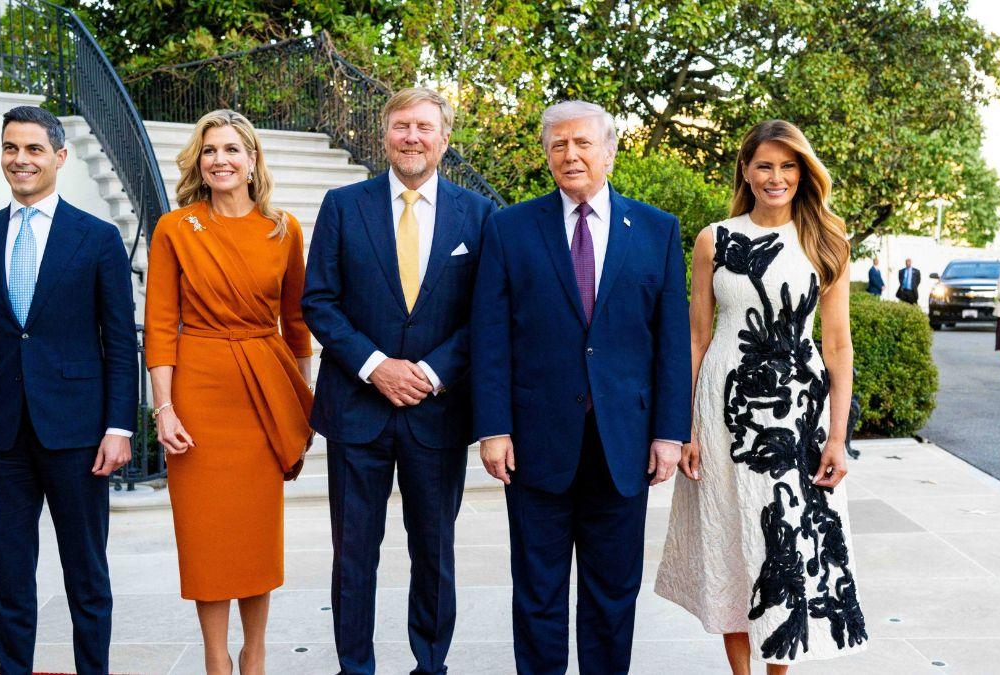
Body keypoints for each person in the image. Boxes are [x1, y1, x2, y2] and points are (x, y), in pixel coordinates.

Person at [471, 100, 691, 673]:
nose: (571, 155)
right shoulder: (509, 227)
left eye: (583, 143)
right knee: (538, 593)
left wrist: (670, 431)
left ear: (610, 151)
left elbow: (671, 342)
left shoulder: (657, 229)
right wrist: (493, 427)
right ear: (546, 156)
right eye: (558, 145)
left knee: (613, 595)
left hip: (624, 444)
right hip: (536, 444)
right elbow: (490, 337)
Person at [655, 120, 868, 673]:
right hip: (721, 413)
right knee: (731, 537)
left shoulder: (827, 240)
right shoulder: (714, 239)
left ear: (803, 172)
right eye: (765, 166)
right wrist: (686, 429)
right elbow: (697, 337)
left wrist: (838, 437)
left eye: (788, 166)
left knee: (786, 543)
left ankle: (778, 669)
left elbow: (838, 345)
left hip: (798, 416)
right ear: (746, 172)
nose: (777, 177)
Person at [301, 88, 495, 675]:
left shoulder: (479, 215)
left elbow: (483, 314)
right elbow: (319, 301)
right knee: (353, 554)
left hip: (436, 414)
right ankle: (354, 666)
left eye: (424, 127)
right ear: (383, 134)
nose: (412, 137)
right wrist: (374, 365)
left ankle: (429, 664)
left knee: (433, 553)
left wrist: (433, 372)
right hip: (357, 411)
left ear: (444, 138)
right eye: (401, 126)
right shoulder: (342, 205)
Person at [0, 106, 137, 675]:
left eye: (32, 149)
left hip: (77, 433)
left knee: (86, 574)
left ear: (58, 156)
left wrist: (119, 427)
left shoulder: (97, 238)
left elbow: (121, 342)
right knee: (10, 575)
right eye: (10, 148)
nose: (20, 159)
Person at [144, 109, 314, 675]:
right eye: (210, 150)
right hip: (199, 389)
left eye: (232, 150)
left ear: (252, 161)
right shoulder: (175, 228)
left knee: (256, 534)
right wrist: (163, 407)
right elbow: (161, 325)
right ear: (199, 162)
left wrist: (300, 399)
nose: (220, 159)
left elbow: (297, 324)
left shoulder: (284, 229)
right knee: (206, 531)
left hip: (264, 390)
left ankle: (255, 651)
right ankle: (216, 657)